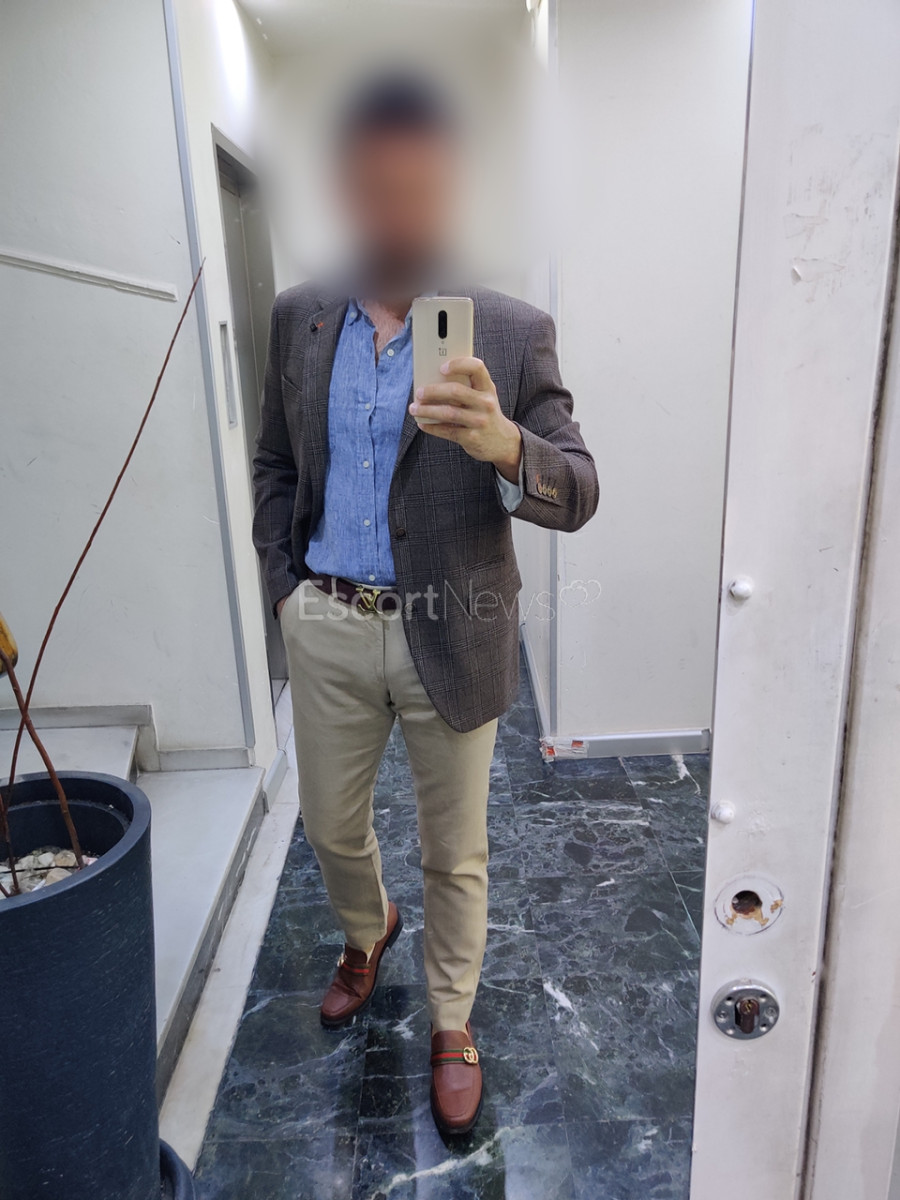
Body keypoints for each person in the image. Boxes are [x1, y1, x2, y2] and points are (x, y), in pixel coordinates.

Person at [252, 72, 598, 1136]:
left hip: (455, 623)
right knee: (329, 825)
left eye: (419, 191)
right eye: (377, 191)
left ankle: (451, 1018)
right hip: (327, 622)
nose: (397, 216)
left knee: (457, 849)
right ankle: (369, 931)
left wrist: (504, 446)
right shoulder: (301, 317)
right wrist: (284, 590)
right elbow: (274, 461)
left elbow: (579, 491)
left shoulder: (512, 330)